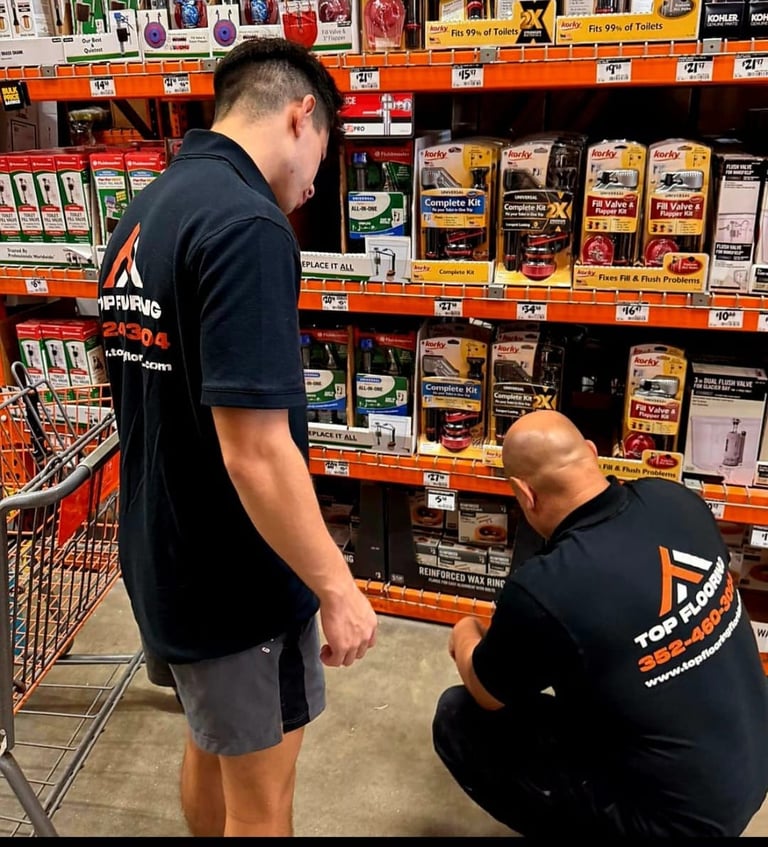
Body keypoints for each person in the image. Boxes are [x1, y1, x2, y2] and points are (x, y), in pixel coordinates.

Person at [96, 37, 378, 838]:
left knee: (211, 742)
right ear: (300, 115)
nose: (315, 184)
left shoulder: (148, 208)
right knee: (262, 806)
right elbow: (254, 451)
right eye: (322, 153)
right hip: (236, 578)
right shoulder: (249, 225)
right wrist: (337, 587)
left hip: (164, 553)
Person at [432, 409, 768, 837]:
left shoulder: (548, 584)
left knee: (459, 717)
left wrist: (466, 630)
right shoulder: (675, 499)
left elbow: (487, 693)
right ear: (592, 454)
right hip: (751, 763)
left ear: (524, 493)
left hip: (677, 824)